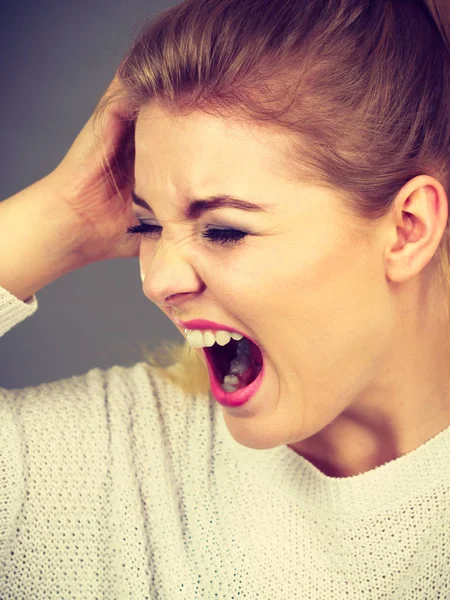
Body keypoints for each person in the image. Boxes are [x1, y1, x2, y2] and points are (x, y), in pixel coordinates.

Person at [1, 0, 449, 597]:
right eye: (147, 227)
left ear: (408, 228)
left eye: (224, 230)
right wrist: (59, 218)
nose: (158, 281)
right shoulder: (102, 461)